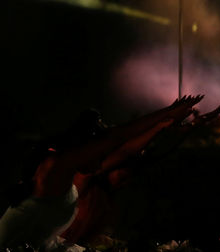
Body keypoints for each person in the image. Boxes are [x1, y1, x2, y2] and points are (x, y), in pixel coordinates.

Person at [0, 96, 203, 250]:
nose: (103, 163)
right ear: (87, 148)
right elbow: (116, 140)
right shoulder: (56, 167)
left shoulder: (72, 177)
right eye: (99, 154)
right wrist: (166, 113)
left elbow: (125, 150)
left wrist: (163, 124)